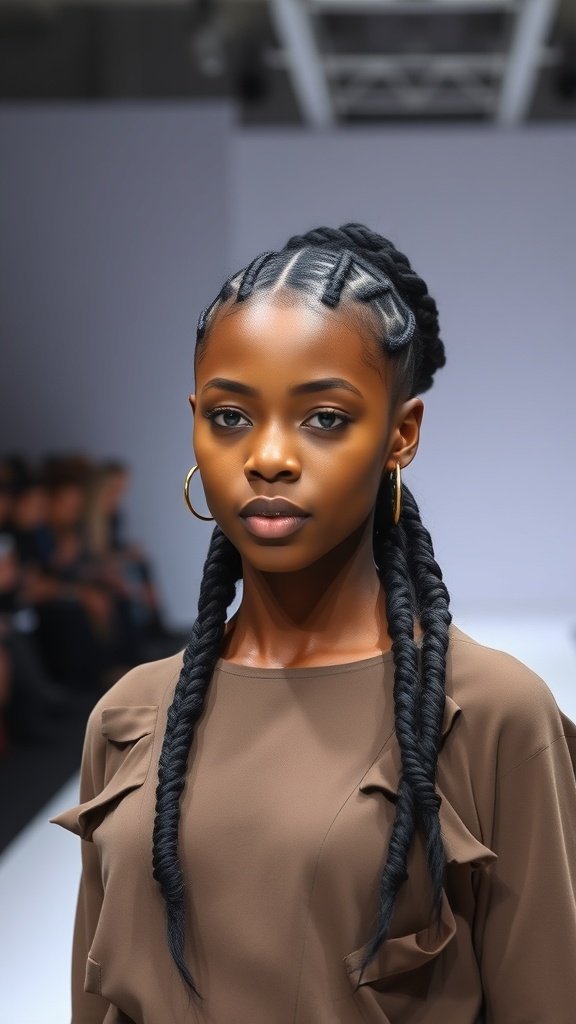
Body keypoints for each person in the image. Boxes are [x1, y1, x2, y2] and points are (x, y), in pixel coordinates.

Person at [51, 223, 576, 1023]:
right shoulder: (129, 719)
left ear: (402, 435)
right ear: (195, 422)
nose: (268, 457)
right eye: (230, 416)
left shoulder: (493, 717)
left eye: (324, 417)